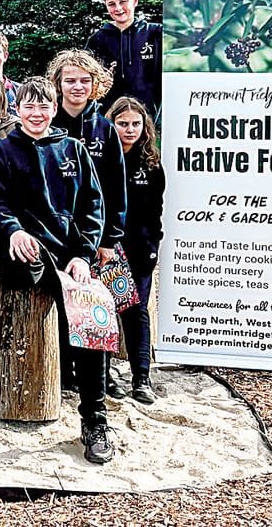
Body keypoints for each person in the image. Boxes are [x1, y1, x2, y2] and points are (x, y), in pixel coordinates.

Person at [0, 76, 113, 464]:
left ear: (53, 109)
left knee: (91, 314)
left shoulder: (72, 149)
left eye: (43, 106)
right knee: (32, 280)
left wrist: (82, 255)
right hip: (24, 252)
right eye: (29, 106)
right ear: (17, 109)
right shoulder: (4, 151)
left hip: (68, 254)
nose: (36, 113)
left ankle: (95, 420)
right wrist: (12, 229)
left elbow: (93, 208)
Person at [47, 49, 128, 398]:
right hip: (56, 234)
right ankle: (66, 370)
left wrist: (110, 238)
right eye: (69, 80)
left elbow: (115, 187)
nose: (77, 86)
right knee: (64, 304)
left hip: (95, 235)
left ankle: (103, 373)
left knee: (100, 306)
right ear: (58, 84)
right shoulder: (47, 127)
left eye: (84, 80)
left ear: (94, 84)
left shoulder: (105, 130)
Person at [108, 96, 164, 404]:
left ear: (144, 127)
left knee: (136, 311)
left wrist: (153, 244)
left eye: (135, 124)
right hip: (108, 249)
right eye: (122, 123)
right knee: (103, 310)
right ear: (111, 124)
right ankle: (104, 376)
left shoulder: (151, 164)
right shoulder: (100, 158)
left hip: (141, 248)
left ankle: (141, 378)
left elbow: (156, 209)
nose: (129, 130)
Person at [85, 0, 162, 118]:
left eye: (123, 2)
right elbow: (85, 79)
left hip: (148, 117)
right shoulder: (97, 40)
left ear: (135, 1)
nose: (118, 8)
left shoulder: (156, 33)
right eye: (112, 4)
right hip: (109, 119)